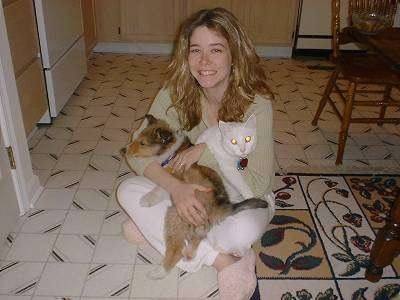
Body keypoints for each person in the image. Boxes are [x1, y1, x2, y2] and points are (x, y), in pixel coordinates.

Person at [117, 7, 275, 300]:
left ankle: (161, 231)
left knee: (239, 233)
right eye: (195, 50)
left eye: (216, 50)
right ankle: (223, 261)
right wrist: (176, 188)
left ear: (234, 55)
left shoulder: (258, 104)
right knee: (127, 190)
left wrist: (208, 146)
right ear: (185, 55)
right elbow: (137, 153)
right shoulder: (175, 92)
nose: (204, 62)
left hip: (241, 197)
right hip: (192, 188)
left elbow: (258, 183)